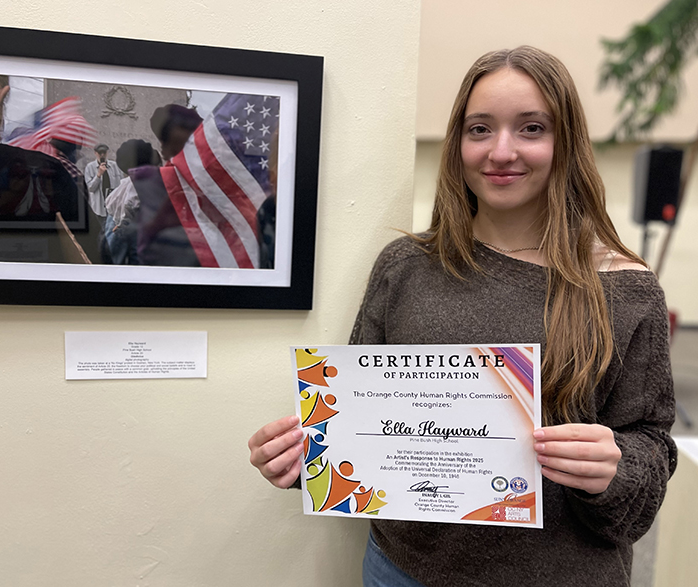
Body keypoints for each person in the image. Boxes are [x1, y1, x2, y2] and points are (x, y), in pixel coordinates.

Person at [248, 46, 677, 587]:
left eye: (531, 128)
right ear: (457, 144)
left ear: (565, 141)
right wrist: (301, 455)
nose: (501, 151)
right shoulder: (405, 267)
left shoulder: (625, 288)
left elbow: (651, 445)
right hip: (400, 570)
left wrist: (617, 468)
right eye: (480, 129)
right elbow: (354, 414)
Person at [84, 143, 124, 219]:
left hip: (114, 206)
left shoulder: (115, 166)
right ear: (95, 153)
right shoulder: (90, 167)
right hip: (99, 207)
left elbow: (121, 184)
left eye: (104, 153)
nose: (102, 155)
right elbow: (90, 188)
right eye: (100, 153)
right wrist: (98, 175)